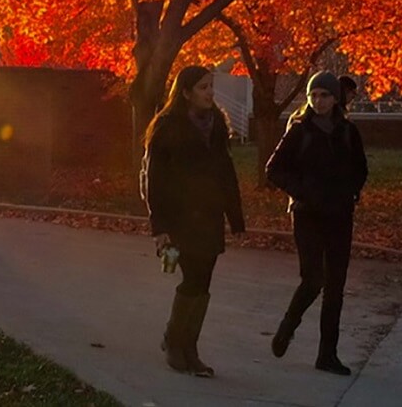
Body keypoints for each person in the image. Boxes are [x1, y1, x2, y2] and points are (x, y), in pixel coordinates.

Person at [141, 65, 246, 378]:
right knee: (192, 279)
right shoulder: (167, 127)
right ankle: (175, 342)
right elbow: (154, 181)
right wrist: (160, 228)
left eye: (211, 86)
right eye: (203, 87)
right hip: (180, 219)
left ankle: (190, 347)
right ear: (185, 93)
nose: (210, 93)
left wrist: (236, 217)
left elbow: (226, 173)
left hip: (210, 216)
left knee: (204, 282)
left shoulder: (217, 125)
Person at [265, 71, 368, 376]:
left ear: (335, 98)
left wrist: (351, 191)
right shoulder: (300, 130)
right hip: (307, 214)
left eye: (324, 95)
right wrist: (302, 191)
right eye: (313, 95)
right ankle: (288, 325)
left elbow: (360, 168)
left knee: (335, 287)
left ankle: (327, 354)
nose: (318, 101)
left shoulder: (348, 131)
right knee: (312, 279)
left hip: (339, 215)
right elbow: (274, 169)